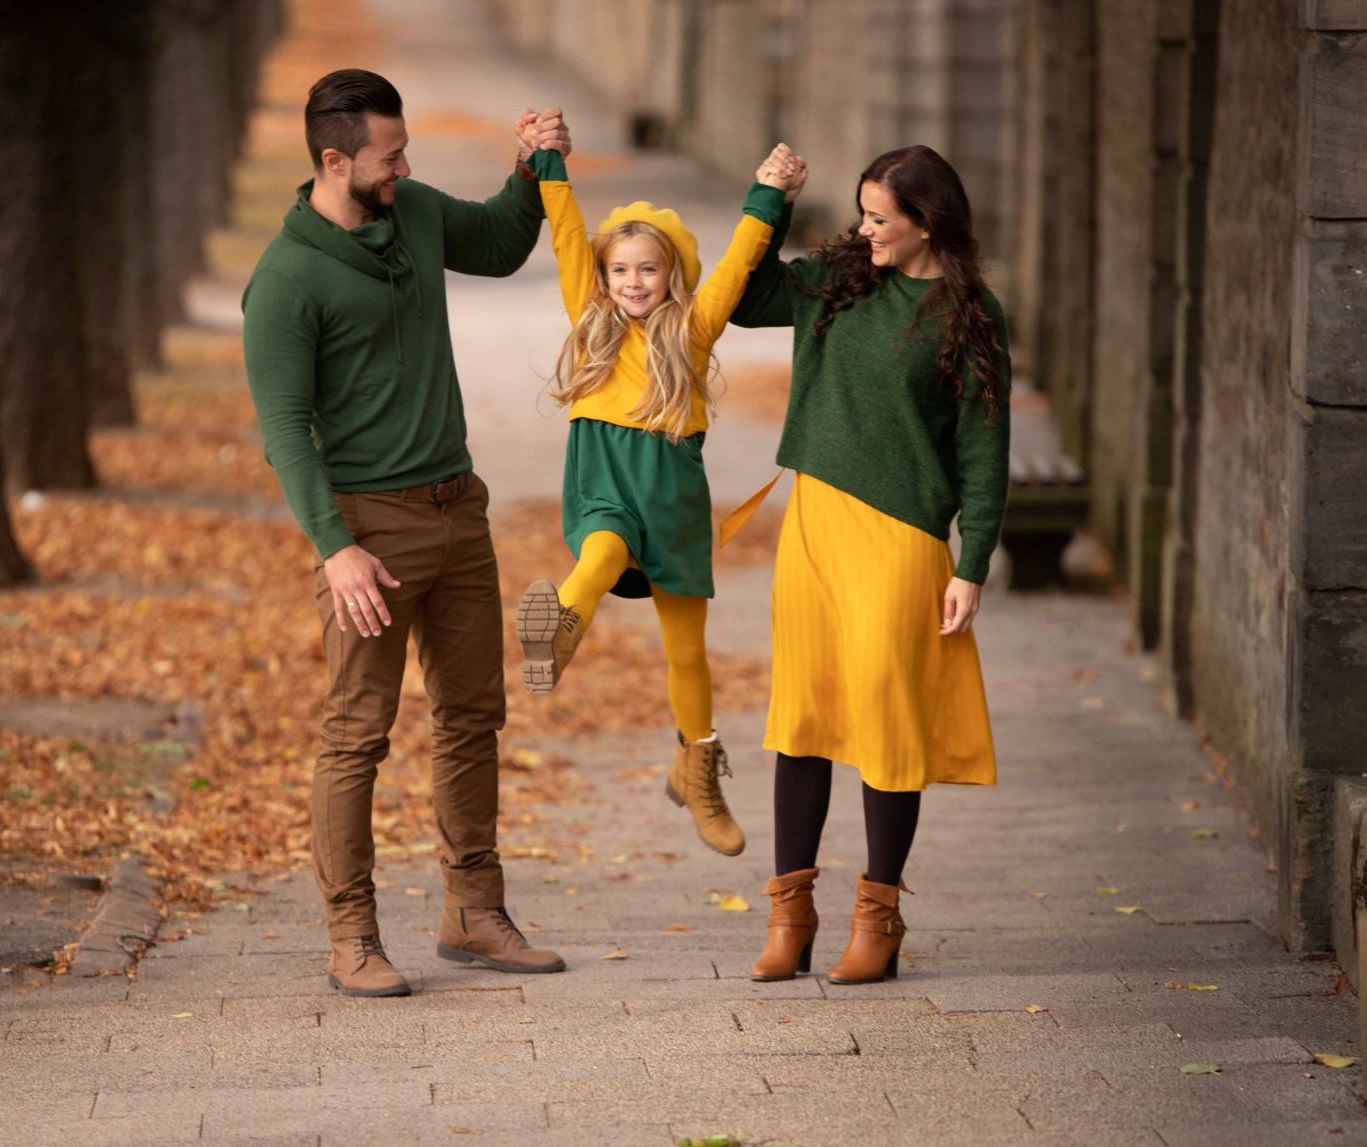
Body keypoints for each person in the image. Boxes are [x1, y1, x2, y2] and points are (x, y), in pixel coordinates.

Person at [241, 69, 571, 998]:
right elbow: (284, 433)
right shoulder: (285, 281)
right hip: (369, 533)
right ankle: (352, 934)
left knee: (473, 718)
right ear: (334, 159)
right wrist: (335, 548)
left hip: (458, 510)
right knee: (357, 736)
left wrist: (530, 164)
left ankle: (474, 913)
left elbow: (505, 244)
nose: (406, 165)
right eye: (390, 156)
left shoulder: (414, 211)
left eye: (405, 150)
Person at [727, 144, 1010, 984]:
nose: (866, 229)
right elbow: (740, 300)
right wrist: (767, 198)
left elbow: (984, 447)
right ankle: (790, 914)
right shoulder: (839, 275)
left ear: (929, 222)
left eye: (882, 218)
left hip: (902, 538)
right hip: (814, 520)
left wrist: (974, 561)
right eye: (862, 213)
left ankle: (878, 918)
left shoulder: (970, 311)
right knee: (802, 717)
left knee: (886, 720)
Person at [512, 133, 804, 857]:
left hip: (672, 498)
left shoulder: (692, 331)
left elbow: (737, 266)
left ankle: (696, 769)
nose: (632, 281)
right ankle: (556, 634)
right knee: (602, 551)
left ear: (672, 275)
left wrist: (768, 193)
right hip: (605, 483)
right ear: (604, 277)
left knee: (687, 652)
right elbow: (568, 239)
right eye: (620, 270)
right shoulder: (592, 324)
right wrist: (548, 161)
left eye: (648, 269)